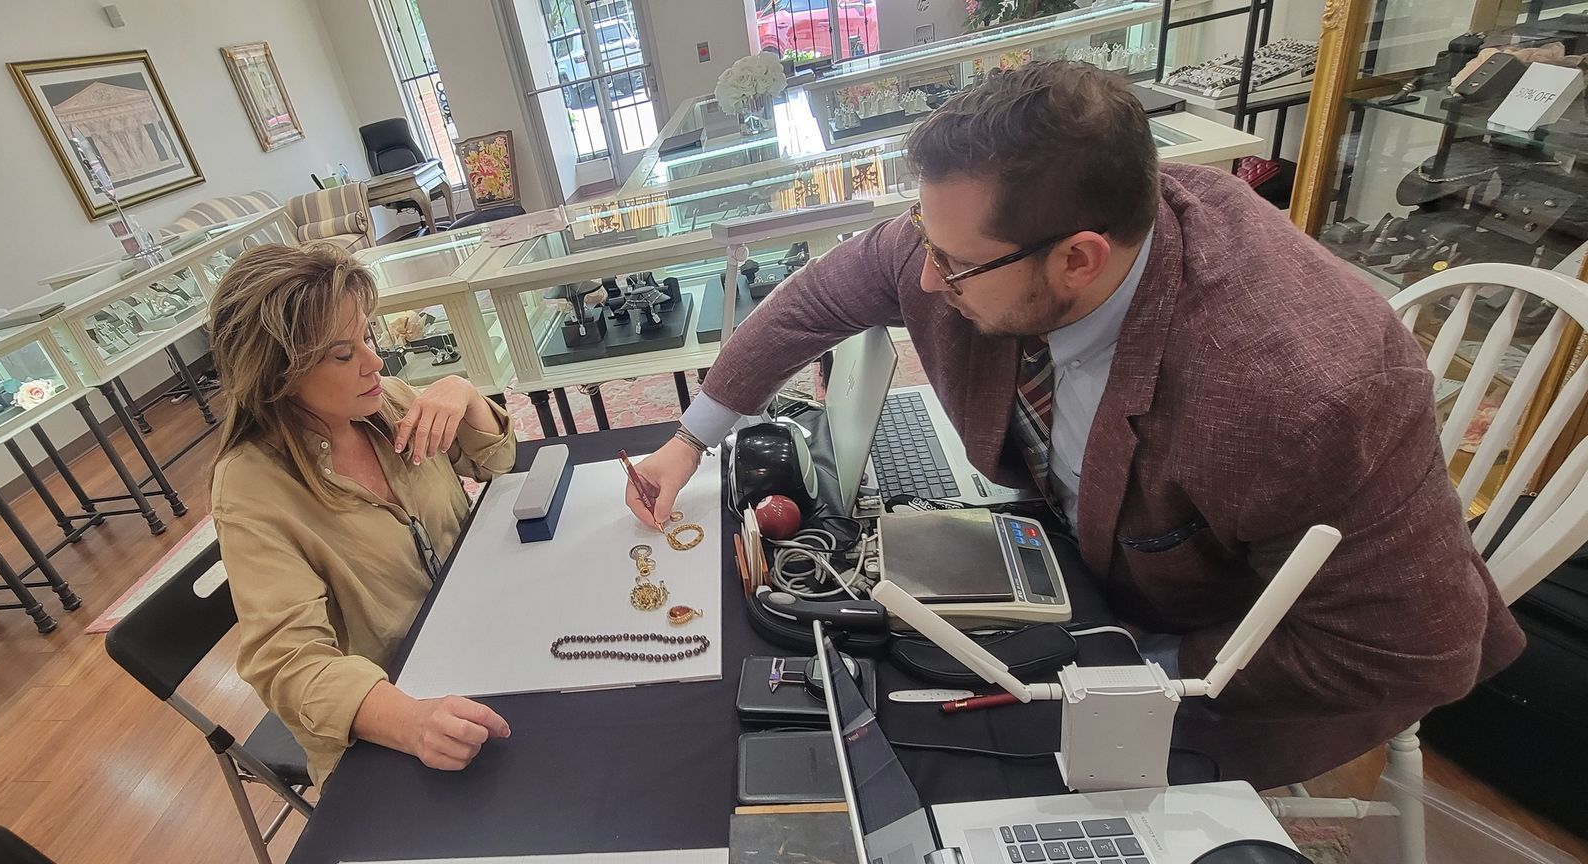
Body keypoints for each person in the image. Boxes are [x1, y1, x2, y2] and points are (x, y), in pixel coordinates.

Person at [626, 62, 1525, 788]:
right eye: (924, 242)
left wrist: (1129, 674)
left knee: (953, 765)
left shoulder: (1303, 392)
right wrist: (689, 439)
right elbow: (818, 297)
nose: (926, 281)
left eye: (953, 265)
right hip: (1084, 558)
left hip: (1218, 656)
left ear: (1079, 259)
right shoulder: (991, 230)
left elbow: (1414, 649)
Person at [210, 243, 517, 786]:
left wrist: (465, 394)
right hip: (398, 712)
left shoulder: (388, 402)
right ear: (278, 374)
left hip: (481, 636)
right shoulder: (251, 488)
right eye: (342, 354)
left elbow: (496, 463)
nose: (375, 363)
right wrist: (409, 721)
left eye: (368, 337)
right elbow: (288, 663)